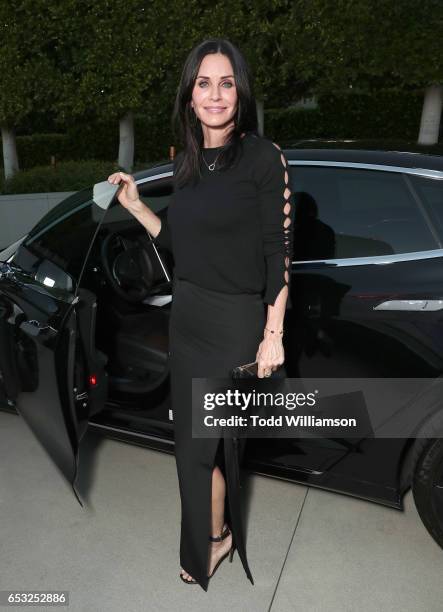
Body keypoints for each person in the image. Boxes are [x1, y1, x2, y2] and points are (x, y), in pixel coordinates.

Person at [107, 38, 294, 591]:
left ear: (241, 93)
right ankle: (218, 534)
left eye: (227, 83)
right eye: (204, 83)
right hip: (187, 320)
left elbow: (277, 251)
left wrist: (273, 334)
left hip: (235, 325)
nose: (215, 95)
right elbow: (182, 245)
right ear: (190, 96)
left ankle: (206, 547)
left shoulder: (263, 158)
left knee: (197, 453)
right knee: (190, 451)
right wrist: (140, 207)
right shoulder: (184, 163)